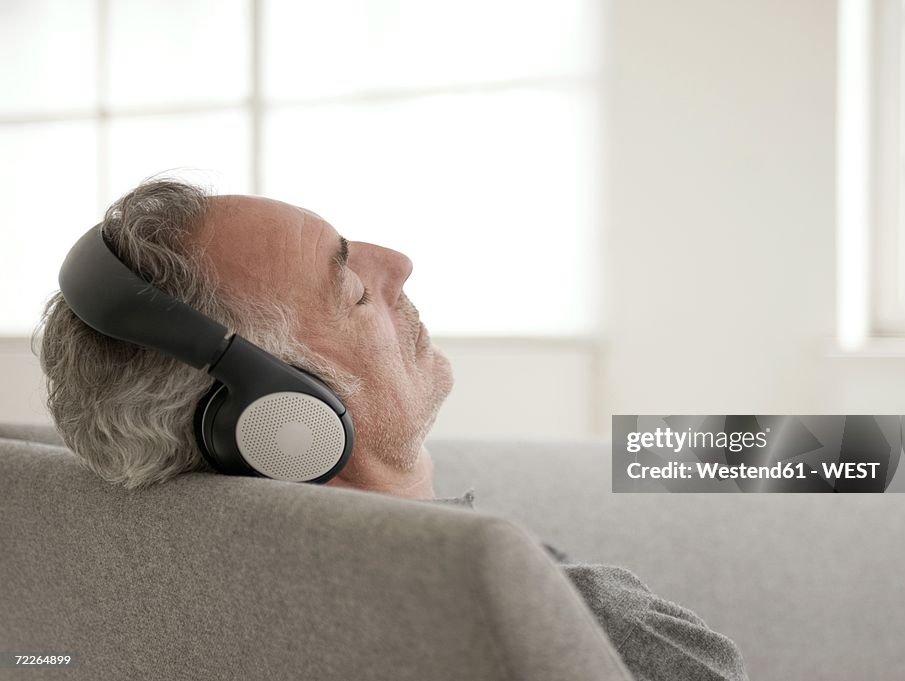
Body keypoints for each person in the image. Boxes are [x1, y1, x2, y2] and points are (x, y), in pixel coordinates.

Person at [38, 179, 748, 681]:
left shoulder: (105, 548)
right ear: (287, 416)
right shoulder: (552, 611)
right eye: (350, 289)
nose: (399, 266)